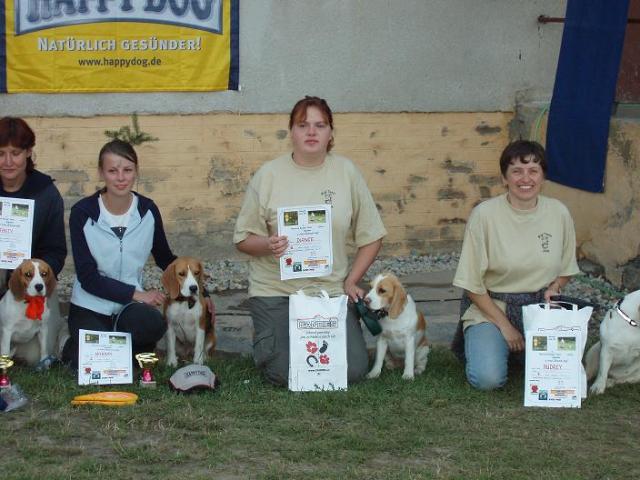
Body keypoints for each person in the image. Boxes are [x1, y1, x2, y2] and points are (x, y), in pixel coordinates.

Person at [234, 96, 387, 386]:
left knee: (351, 372)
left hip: (328, 293)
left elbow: (372, 236)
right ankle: (273, 334)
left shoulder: (346, 172)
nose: (312, 132)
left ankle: (317, 333)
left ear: (331, 133)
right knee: (284, 374)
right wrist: (268, 244)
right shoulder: (268, 175)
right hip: (276, 292)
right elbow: (243, 239)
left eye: (320, 125)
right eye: (303, 125)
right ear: (291, 131)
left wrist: (351, 281)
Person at [452, 140, 580, 390]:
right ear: (504, 178)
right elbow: (472, 285)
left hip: (540, 309)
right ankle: (492, 345)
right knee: (487, 379)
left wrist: (556, 287)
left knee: (563, 370)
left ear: (543, 176)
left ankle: (519, 353)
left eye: (533, 170)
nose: (526, 179)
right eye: (517, 171)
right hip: (492, 308)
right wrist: (506, 326)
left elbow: (566, 269)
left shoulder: (559, 213)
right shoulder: (484, 215)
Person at [62, 139, 176, 368]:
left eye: (127, 170)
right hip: (91, 304)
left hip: (129, 309)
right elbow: (88, 277)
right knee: (87, 366)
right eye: (113, 171)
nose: (121, 178)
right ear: (101, 173)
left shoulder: (148, 210)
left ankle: (128, 349)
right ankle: (73, 346)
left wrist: (204, 293)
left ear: (136, 172)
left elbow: (165, 258)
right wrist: (138, 294)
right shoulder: (83, 213)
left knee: (152, 323)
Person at [0, 117, 67, 364]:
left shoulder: (46, 193)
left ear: (28, 152)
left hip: (30, 281)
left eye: (15, 153)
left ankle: (52, 337)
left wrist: (32, 273)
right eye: (1, 154)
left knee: (36, 356)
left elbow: (56, 250)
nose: (8, 162)